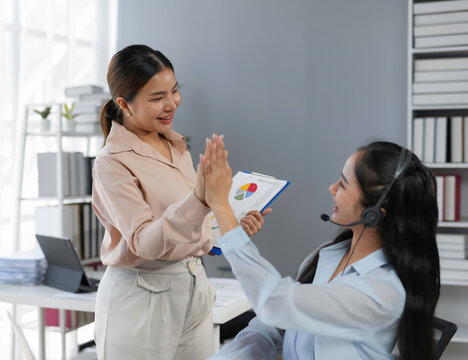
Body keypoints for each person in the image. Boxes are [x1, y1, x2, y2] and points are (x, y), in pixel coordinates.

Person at [91, 44, 262, 360]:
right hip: (141, 296)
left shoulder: (175, 144)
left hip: (193, 287)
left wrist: (228, 230)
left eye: (174, 91)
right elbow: (146, 242)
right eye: (157, 98)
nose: (172, 104)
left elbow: (185, 229)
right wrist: (200, 197)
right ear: (124, 105)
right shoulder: (112, 163)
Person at [201, 139, 440, 360]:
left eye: (344, 185)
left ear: (374, 213)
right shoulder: (328, 255)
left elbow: (276, 302)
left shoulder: (382, 292)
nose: (332, 188)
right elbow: (273, 326)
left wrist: (222, 208)